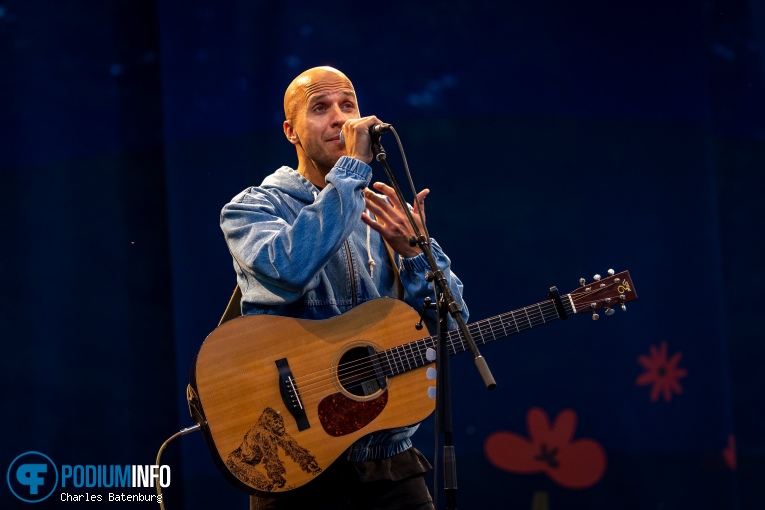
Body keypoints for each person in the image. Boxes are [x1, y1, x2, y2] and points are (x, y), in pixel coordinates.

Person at [220, 66, 468, 510]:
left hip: (389, 459)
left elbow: (450, 327)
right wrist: (352, 170)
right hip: (297, 460)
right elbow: (288, 270)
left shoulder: (382, 213)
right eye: (320, 108)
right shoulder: (254, 207)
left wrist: (415, 254)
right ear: (290, 131)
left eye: (348, 105)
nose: (340, 118)